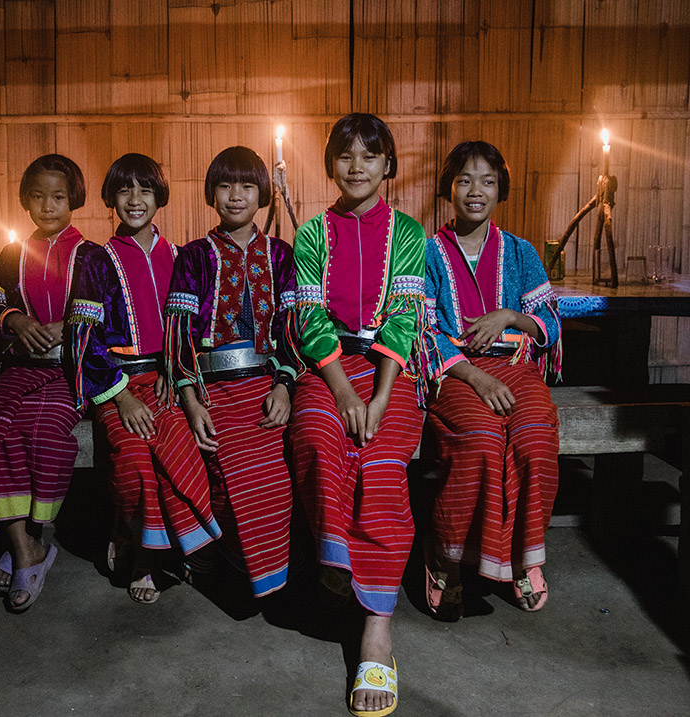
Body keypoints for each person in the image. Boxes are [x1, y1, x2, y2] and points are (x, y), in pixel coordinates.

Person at [289, 113, 428, 717]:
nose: (357, 167)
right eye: (345, 156)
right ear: (330, 165)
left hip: (392, 369)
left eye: (370, 157)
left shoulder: (410, 233)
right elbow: (308, 319)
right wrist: (343, 389)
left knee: (380, 460)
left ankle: (377, 626)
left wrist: (377, 397)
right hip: (330, 366)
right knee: (318, 436)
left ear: (388, 167)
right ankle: (336, 558)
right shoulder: (313, 233)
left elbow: (402, 316)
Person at [66, 153, 221, 604]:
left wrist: (179, 378)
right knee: (134, 457)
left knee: (179, 446)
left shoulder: (181, 256)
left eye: (145, 190)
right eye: (124, 190)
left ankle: (171, 547)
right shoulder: (97, 259)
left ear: (160, 197)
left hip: (168, 380)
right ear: (111, 198)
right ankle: (143, 552)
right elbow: (84, 336)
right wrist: (119, 398)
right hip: (116, 386)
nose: (135, 199)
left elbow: (192, 331)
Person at [422, 140, 562, 621]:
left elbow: (550, 325)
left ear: (500, 188)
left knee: (536, 437)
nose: (475, 191)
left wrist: (508, 315)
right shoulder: (426, 253)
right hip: (455, 372)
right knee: (480, 439)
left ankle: (525, 557)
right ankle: (446, 559)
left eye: (486, 180)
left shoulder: (521, 253)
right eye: (464, 180)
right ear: (449, 189)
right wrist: (475, 378)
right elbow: (422, 333)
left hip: (516, 368)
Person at [0, 154, 94, 612]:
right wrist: (14, 319)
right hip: (18, 370)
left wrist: (69, 325)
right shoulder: (12, 254)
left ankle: (29, 543)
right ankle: (24, 550)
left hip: (68, 373)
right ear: (24, 201)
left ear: (74, 197)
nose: (48, 206)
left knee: (39, 433)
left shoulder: (90, 254)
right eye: (37, 196)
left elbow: (109, 310)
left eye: (58, 196)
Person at [164, 145, 302, 598]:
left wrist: (284, 385)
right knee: (227, 465)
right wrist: (190, 399)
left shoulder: (281, 255)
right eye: (225, 185)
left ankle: (266, 572)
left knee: (275, 474)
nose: (236, 196)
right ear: (212, 194)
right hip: (211, 389)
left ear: (263, 192)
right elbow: (179, 334)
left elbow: (291, 331)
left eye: (246, 185)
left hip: (266, 384)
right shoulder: (194, 255)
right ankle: (224, 558)